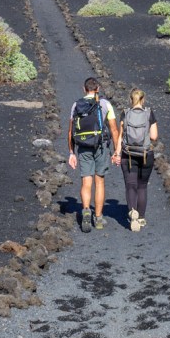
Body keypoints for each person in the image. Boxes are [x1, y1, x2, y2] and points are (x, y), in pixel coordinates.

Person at [67, 76, 117, 232]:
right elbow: (114, 129)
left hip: (83, 145)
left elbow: (71, 131)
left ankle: (86, 209)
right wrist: (116, 151)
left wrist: (71, 152)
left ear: (84, 89)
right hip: (101, 145)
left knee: (86, 182)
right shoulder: (105, 104)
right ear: (98, 89)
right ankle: (99, 217)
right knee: (99, 182)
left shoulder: (76, 105)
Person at [112, 88, 158, 232]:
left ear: (130, 99)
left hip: (128, 154)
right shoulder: (149, 114)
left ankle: (132, 212)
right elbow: (154, 136)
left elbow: (120, 136)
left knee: (130, 185)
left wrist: (117, 154)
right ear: (143, 99)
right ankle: (141, 217)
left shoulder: (125, 114)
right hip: (145, 154)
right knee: (142, 185)